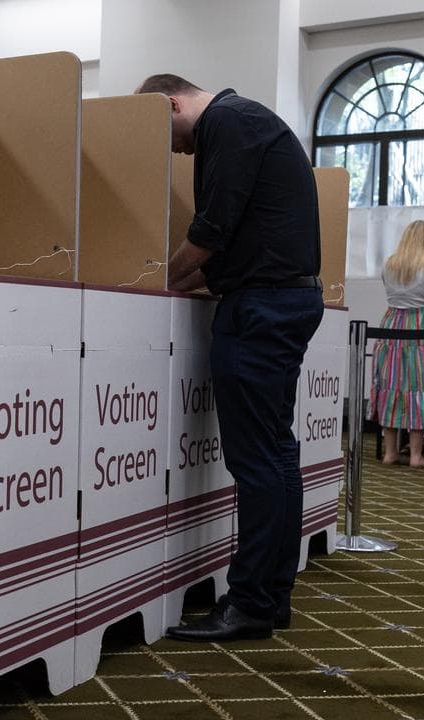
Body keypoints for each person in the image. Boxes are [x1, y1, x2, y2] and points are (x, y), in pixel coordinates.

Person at [136, 75, 323, 642]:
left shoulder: (227, 123)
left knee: (256, 461)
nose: (174, 152)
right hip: (285, 297)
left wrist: (151, 280)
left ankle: (249, 603)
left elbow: (212, 230)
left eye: (165, 135)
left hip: (262, 306)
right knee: (277, 456)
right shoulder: (248, 119)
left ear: (170, 103)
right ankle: (272, 595)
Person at [370, 221, 424, 467]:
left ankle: (390, 453)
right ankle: (416, 455)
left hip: (392, 325)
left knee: (392, 387)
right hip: (421, 329)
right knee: (419, 386)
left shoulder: (389, 264)